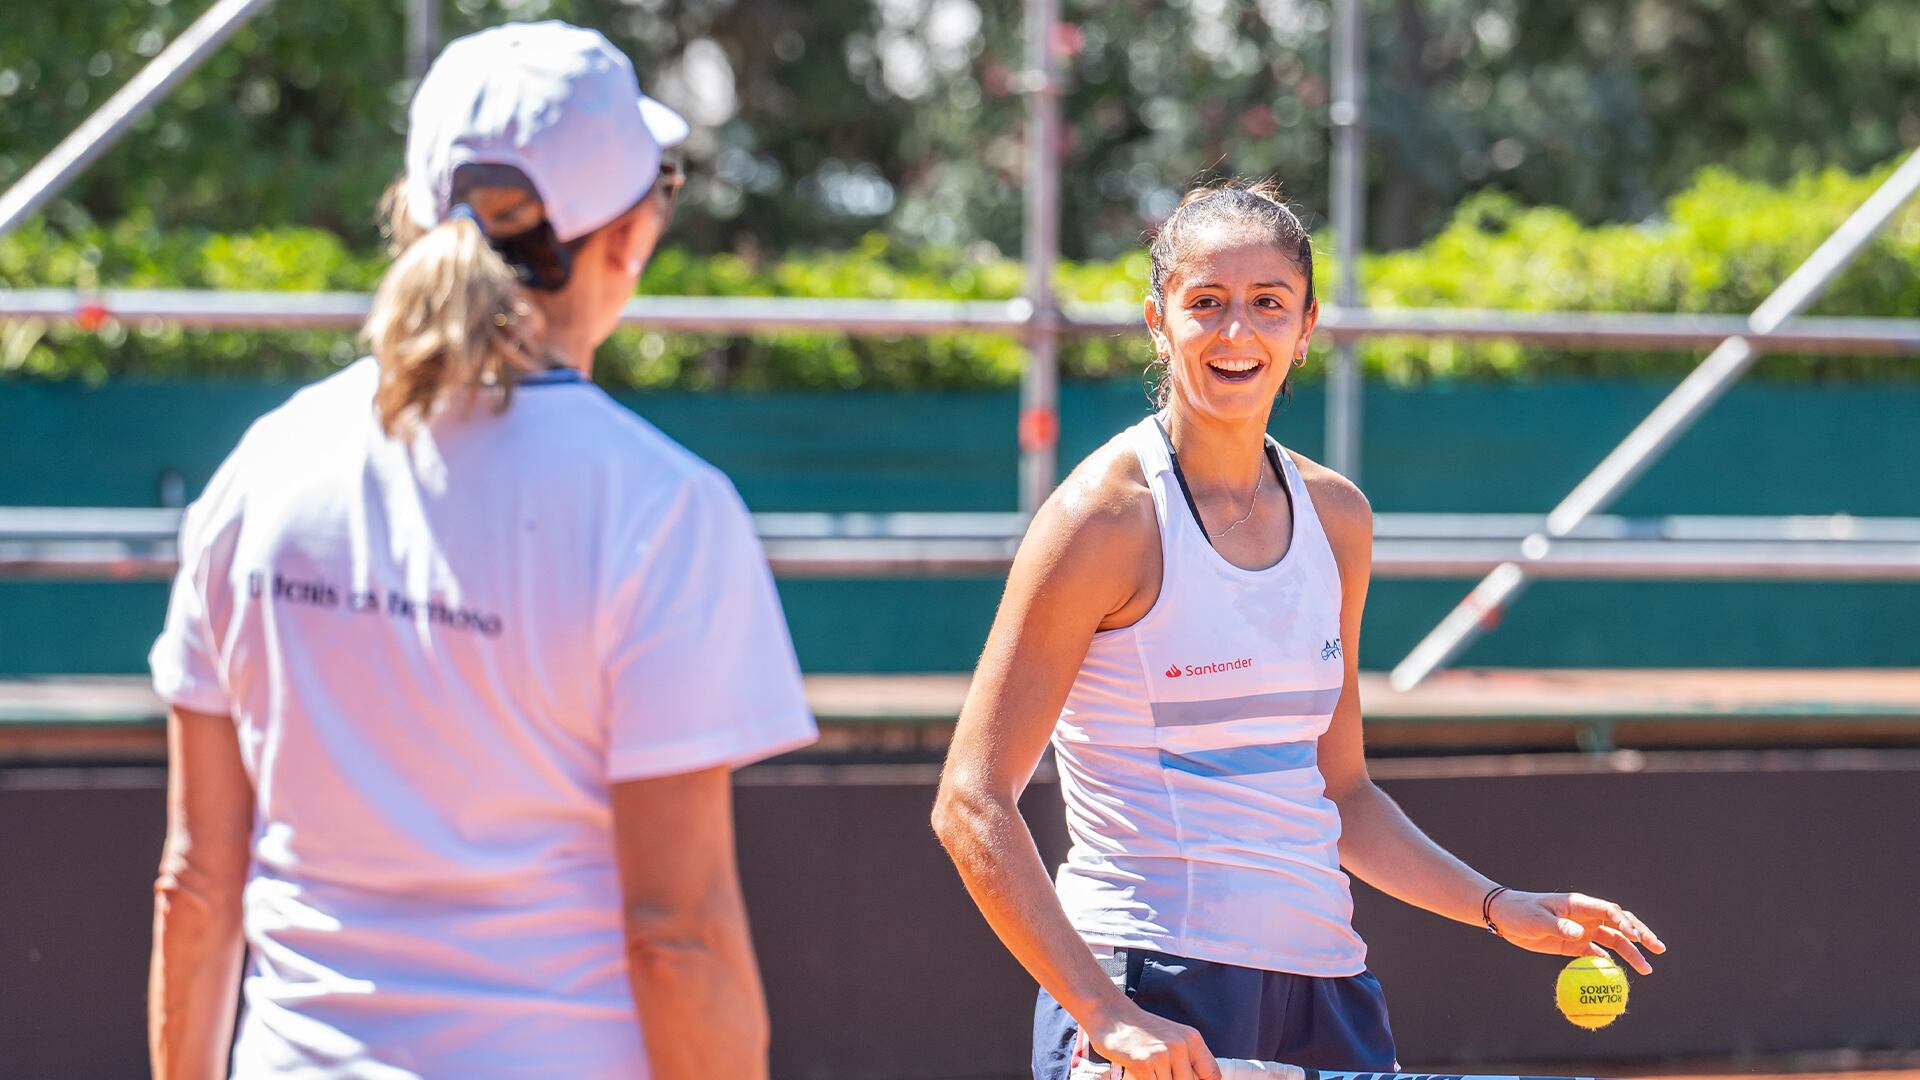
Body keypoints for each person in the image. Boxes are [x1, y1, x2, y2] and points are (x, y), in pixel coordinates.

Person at [146, 22, 815, 1080]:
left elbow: (197, 881)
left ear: (415, 218)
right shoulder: (661, 510)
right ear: (629, 239)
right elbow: (677, 936)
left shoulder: (263, 467)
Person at [932, 180, 1666, 1080]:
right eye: (1207, 302)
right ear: (1160, 324)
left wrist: (1496, 905)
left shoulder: (1338, 518)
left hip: (1329, 989)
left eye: (1269, 303)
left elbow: (1341, 791)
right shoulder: (1103, 517)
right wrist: (1106, 1013)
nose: (1237, 331)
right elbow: (971, 798)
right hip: (1153, 982)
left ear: (1306, 328)